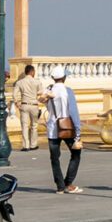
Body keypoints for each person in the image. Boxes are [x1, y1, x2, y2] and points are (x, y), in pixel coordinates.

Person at [44, 65, 83, 194]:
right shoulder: (67, 91)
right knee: (76, 154)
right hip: (66, 127)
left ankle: (60, 186)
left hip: (52, 128)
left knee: (54, 158)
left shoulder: (48, 91)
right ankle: (68, 183)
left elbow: (46, 106)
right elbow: (73, 112)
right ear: (64, 77)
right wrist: (78, 131)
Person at [10, 64, 47, 152]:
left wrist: (17, 102)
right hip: (34, 105)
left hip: (24, 105)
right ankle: (33, 145)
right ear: (32, 72)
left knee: (24, 126)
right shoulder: (37, 82)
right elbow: (41, 92)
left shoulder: (20, 82)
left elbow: (14, 94)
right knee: (34, 125)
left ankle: (25, 146)